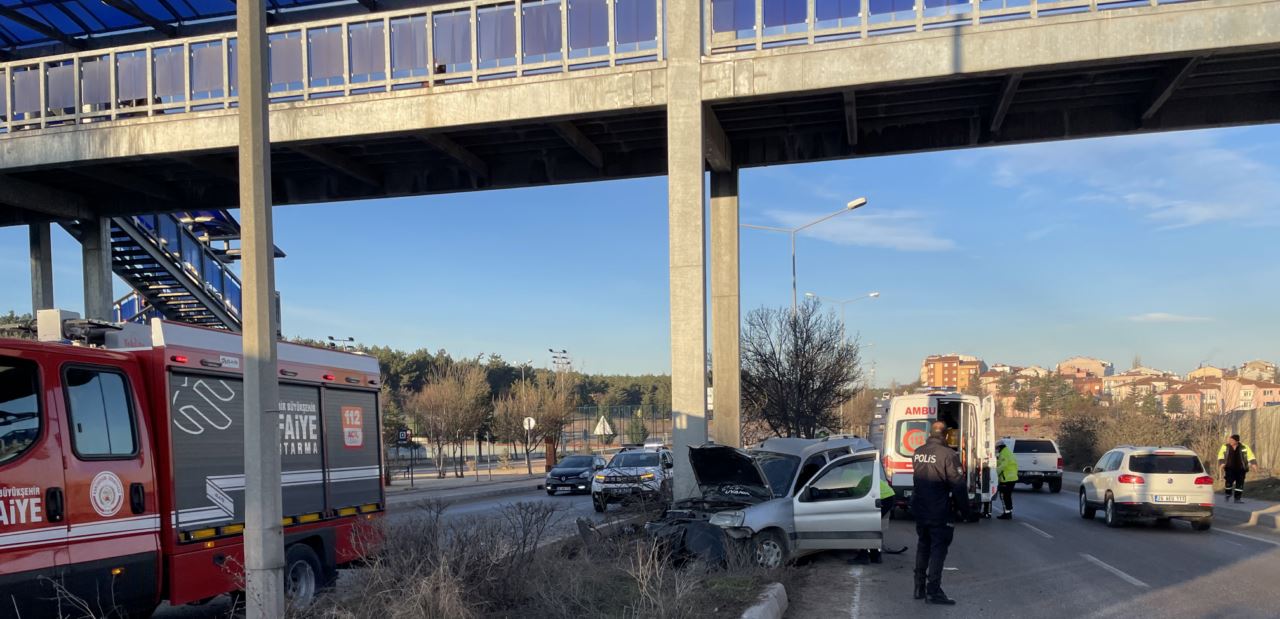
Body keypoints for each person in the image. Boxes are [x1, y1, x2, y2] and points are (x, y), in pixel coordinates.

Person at [911, 421, 970, 605]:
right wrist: (966, 511)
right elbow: (958, 485)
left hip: (920, 509)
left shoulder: (918, 452)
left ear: (930, 433)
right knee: (938, 550)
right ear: (945, 435)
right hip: (939, 510)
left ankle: (919, 587)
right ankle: (933, 591)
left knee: (923, 546)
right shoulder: (948, 455)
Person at [1217, 435, 1258, 503]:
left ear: (1237, 441)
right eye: (1230, 440)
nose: (1230, 441)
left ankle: (1237, 498)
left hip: (1241, 469)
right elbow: (1220, 455)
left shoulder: (1244, 447)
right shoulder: (1225, 446)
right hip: (1229, 468)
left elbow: (1250, 456)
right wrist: (1222, 462)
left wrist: (1254, 464)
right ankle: (1228, 494)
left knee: (1240, 484)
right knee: (1229, 482)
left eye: (1232, 440)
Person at [996, 443, 1018, 519]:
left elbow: (1003, 465)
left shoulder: (1004, 454)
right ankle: (1009, 512)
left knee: (1004, 496)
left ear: (1000, 447)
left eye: (997, 448)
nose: (997, 450)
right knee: (1007, 496)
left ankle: (1007, 514)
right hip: (1012, 478)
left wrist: (995, 472)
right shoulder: (1008, 452)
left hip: (1006, 479)